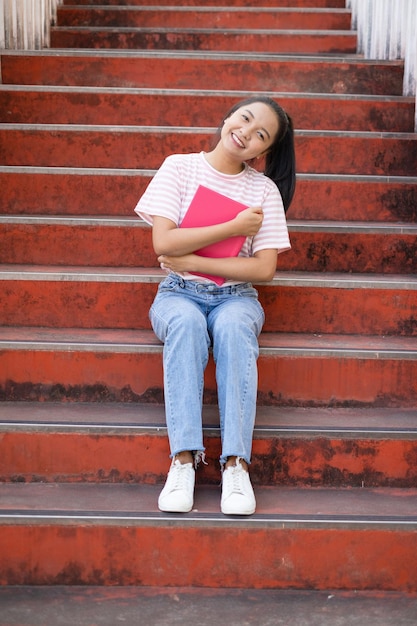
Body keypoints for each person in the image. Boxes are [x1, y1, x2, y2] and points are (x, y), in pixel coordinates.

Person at [134, 96, 296, 515]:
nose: (246, 132)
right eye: (244, 118)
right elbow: (164, 243)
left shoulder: (263, 190)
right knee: (186, 325)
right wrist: (234, 227)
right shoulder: (180, 166)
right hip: (178, 293)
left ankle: (236, 465)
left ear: (264, 152)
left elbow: (263, 269)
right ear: (227, 118)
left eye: (260, 134)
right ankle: (183, 461)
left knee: (234, 327)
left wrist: (194, 260)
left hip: (236, 296)